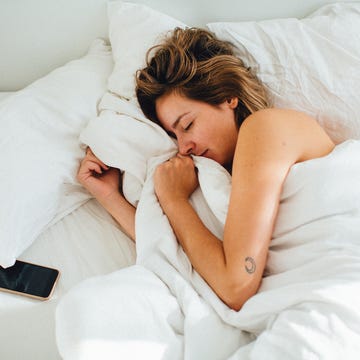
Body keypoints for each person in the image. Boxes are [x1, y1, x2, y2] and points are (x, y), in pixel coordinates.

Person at [77, 27, 335, 311]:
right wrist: (110, 197)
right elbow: (182, 255)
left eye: (187, 125)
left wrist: (175, 201)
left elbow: (236, 287)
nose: (184, 146)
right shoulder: (222, 178)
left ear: (228, 97)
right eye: (174, 136)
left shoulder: (265, 127)